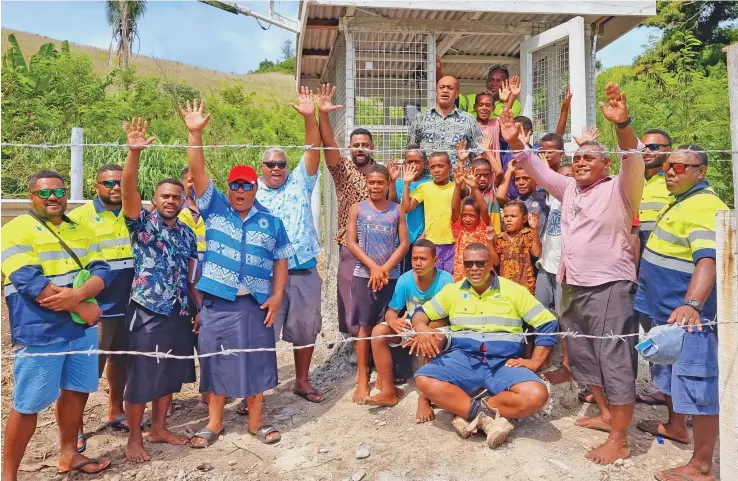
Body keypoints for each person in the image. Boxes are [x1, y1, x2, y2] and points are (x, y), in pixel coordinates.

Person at [502, 82, 644, 465]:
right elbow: (534, 166)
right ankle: (605, 413)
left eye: (589, 158)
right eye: (577, 157)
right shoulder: (569, 190)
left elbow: (633, 156)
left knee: (613, 356)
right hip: (573, 284)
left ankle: (620, 439)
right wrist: (516, 140)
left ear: (606, 165)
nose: (580, 162)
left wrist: (622, 124)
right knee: (581, 354)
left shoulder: (621, 188)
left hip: (610, 286)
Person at [182, 99, 293, 447]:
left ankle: (256, 421)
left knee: (257, 361)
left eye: (247, 186)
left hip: (256, 304)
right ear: (228, 189)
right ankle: (213, 424)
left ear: (256, 188)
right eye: (236, 185)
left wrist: (276, 295)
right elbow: (197, 172)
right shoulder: (214, 209)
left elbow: (281, 259)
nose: (241, 191)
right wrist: (194, 134)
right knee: (215, 361)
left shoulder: (271, 222)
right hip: (218, 303)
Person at [2, 170, 111, 478]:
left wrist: (81, 293)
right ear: (31, 196)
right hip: (40, 330)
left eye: (59, 192)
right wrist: (82, 306)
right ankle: (9, 474)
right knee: (27, 403)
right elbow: (29, 282)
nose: (53, 198)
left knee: (77, 391)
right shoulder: (14, 230)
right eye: (45, 193)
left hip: (80, 331)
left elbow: (101, 269)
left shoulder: (81, 229)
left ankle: (69, 455)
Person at [634, 145, 727, 481]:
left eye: (680, 167)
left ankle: (702, 466)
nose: (670, 171)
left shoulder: (704, 207)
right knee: (672, 377)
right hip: (670, 316)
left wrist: (692, 304)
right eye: (669, 166)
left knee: (698, 387)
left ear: (701, 171)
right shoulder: (684, 199)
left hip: (690, 321)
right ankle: (676, 426)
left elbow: (708, 260)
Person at [412, 243, 557, 448]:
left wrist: (535, 361)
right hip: (464, 360)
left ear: (491, 264)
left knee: (537, 395)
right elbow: (421, 312)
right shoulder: (452, 291)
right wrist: (420, 326)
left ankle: (468, 412)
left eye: (480, 263)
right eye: (469, 263)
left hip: (504, 364)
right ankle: (484, 418)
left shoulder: (514, 291)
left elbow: (547, 322)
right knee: (423, 379)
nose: (474, 268)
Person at [119, 118, 198, 463]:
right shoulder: (142, 223)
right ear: (154, 198)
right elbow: (127, 189)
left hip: (179, 311)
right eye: (165, 196)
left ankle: (159, 428)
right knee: (142, 376)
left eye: (176, 197)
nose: (171, 201)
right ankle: (135, 438)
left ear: (183, 200)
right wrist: (133, 154)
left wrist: (198, 310)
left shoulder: (187, 232)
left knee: (170, 371)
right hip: (148, 309)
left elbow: (191, 276)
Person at [255, 87, 324, 404]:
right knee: (262, 334)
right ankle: (255, 391)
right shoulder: (252, 194)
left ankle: (301, 380)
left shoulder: (300, 181)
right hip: (267, 277)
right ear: (262, 168)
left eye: (281, 164)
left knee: (305, 330)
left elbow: (313, 148)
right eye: (271, 165)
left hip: (304, 271)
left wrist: (311, 117)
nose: (277, 169)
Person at [68, 164, 135, 444]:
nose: (116, 187)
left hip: (128, 302)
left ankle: (115, 410)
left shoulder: (133, 212)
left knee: (120, 360)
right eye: (108, 183)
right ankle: (75, 427)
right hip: (96, 305)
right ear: (97, 186)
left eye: (120, 182)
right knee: (87, 367)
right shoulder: (79, 217)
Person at [362, 240, 454, 422]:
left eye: (423, 259)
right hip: (412, 327)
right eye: (414, 259)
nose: (418, 263)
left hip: (437, 328)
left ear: (435, 260)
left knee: (430, 339)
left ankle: (425, 398)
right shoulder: (405, 279)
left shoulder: (446, 281)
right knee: (379, 331)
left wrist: (423, 331)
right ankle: (388, 391)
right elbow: (392, 310)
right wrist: (393, 321)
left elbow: (448, 318)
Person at [346, 164, 410, 403]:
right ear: (366, 184)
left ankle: (385, 379)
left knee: (387, 325)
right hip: (364, 275)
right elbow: (351, 242)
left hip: (390, 277)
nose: (375, 186)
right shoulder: (358, 209)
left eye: (380, 183)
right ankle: (363, 377)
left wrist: (385, 268)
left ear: (387, 184)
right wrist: (372, 267)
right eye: (371, 182)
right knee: (364, 326)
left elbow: (403, 243)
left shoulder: (396, 210)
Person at [318, 83, 373, 335]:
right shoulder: (342, 171)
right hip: (350, 244)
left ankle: (373, 343)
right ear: (350, 147)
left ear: (372, 147)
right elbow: (328, 144)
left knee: (374, 295)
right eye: (355, 144)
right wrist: (324, 115)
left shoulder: (380, 172)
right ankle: (354, 344)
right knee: (349, 292)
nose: (360, 148)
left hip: (377, 243)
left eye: (364, 144)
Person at [407, 75, 482, 168]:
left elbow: (478, 155)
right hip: (428, 180)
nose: (445, 90)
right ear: (436, 92)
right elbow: (411, 152)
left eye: (450, 88)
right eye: (441, 87)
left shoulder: (469, 120)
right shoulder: (420, 118)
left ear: (457, 94)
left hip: (459, 179)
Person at [401, 151, 455, 274]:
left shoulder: (455, 188)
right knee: (431, 279)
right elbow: (406, 208)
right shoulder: (424, 188)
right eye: (433, 167)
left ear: (450, 167)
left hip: (452, 242)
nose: (436, 170)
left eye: (440, 166)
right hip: (431, 243)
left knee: (449, 281)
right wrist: (407, 184)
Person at [388, 146, 431, 273]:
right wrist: (392, 182)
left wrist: (424, 234)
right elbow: (393, 204)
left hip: (418, 238)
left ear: (425, 163)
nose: (413, 165)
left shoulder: (429, 184)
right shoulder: (400, 183)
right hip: (399, 239)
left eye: (416, 162)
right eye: (409, 162)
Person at [488, 200, 541, 295]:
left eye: (513, 216)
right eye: (506, 216)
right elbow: (496, 262)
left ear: (524, 219)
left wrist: (534, 229)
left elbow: (536, 253)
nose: (508, 219)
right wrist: (489, 241)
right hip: (506, 287)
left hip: (525, 288)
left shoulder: (527, 234)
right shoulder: (501, 237)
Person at [450, 164, 492, 281]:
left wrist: (474, 188)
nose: (467, 219)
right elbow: (454, 209)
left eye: (472, 216)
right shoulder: (459, 228)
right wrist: (458, 186)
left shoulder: (482, 226)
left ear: (478, 216)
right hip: (461, 275)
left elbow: (484, 209)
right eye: (464, 215)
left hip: (483, 273)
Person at [439, 61, 521, 118]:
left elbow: (508, 126)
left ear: (506, 83)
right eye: (491, 80)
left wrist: (509, 100)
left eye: (498, 81)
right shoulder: (473, 99)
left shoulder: (514, 104)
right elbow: (450, 94)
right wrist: (437, 71)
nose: (494, 84)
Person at [496, 161, 549, 239]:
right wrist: (509, 171)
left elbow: (551, 184)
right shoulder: (516, 202)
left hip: (542, 247)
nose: (520, 183)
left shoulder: (544, 197)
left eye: (525, 178)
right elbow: (500, 196)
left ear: (536, 180)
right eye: (517, 179)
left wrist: (546, 171)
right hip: (523, 248)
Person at [470, 156, 503, 233]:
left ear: (491, 174)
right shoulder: (469, 192)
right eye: (478, 175)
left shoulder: (494, 190)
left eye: (486, 175)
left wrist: (488, 151)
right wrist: (461, 161)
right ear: (471, 174)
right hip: (475, 238)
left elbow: (499, 173)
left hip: (495, 238)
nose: (482, 179)